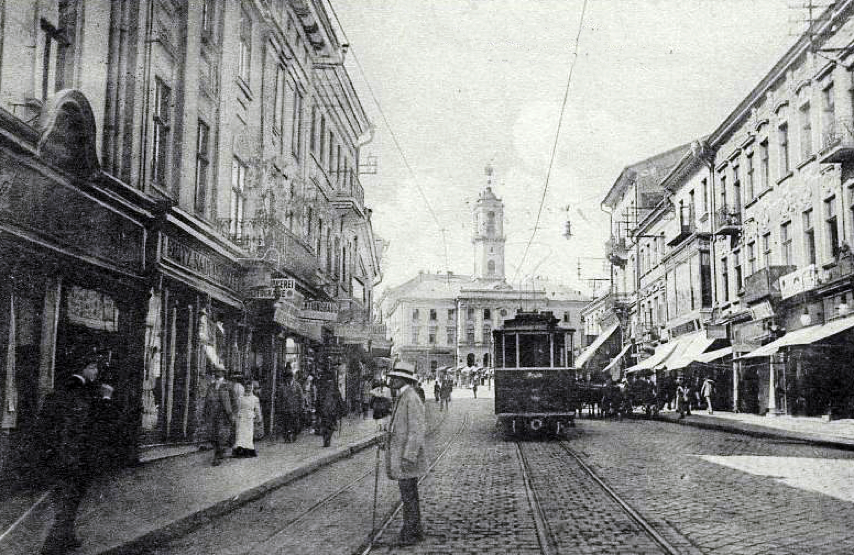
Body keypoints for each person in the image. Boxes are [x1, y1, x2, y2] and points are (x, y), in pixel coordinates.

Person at [37, 359, 101, 555]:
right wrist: (106, 399)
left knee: (64, 497)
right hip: (74, 455)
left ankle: (68, 536)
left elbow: (45, 424)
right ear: (82, 369)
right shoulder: (82, 392)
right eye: (93, 367)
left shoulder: (59, 391)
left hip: (56, 454)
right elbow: (89, 424)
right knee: (71, 498)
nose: (96, 371)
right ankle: (52, 545)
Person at [385, 362, 428, 546]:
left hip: (407, 457)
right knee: (409, 495)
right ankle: (413, 529)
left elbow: (417, 430)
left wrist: (409, 456)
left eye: (394, 377)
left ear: (402, 379)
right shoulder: (404, 396)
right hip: (403, 455)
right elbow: (399, 427)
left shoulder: (410, 398)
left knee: (409, 496)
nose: (391, 380)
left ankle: (411, 532)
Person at [203, 365, 234, 465]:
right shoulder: (211, 385)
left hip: (223, 413)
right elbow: (207, 399)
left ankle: (219, 455)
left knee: (222, 434)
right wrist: (205, 411)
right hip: (212, 412)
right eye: (216, 371)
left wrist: (232, 413)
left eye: (219, 371)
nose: (217, 373)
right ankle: (217, 451)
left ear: (223, 373)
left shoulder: (228, 385)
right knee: (212, 433)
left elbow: (233, 400)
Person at [233, 379, 263, 457]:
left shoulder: (255, 399)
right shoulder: (240, 398)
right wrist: (236, 417)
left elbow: (257, 409)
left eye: (249, 388)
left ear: (252, 388)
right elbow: (237, 408)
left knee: (249, 435)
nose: (248, 389)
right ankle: (240, 451)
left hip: (249, 419)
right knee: (240, 435)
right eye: (246, 388)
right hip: (242, 418)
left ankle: (248, 450)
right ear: (244, 388)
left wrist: (259, 418)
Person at [317, 372, 346, 447]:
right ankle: (326, 440)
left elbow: (339, 400)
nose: (329, 383)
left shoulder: (334, 390)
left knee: (329, 427)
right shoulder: (322, 389)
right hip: (326, 411)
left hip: (331, 411)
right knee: (325, 427)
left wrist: (341, 409)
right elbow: (318, 400)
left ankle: (327, 439)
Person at [277, 370, 303, 442]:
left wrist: (301, 407)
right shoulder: (282, 387)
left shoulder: (297, 385)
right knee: (285, 423)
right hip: (285, 408)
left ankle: (294, 435)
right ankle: (286, 437)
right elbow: (279, 398)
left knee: (295, 423)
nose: (288, 379)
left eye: (290, 377)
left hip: (295, 408)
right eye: (287, 378)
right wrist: (279, 407)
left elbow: (301, 397)